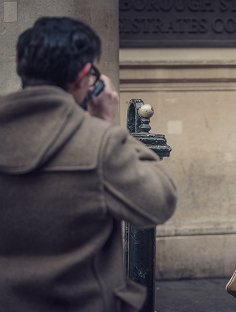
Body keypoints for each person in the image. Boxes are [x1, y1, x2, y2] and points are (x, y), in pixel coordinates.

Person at [0, 17, 177, 312]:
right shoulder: (99, 143)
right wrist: (108, 128)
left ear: (19, 62)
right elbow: (160, 202)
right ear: (84, 76)